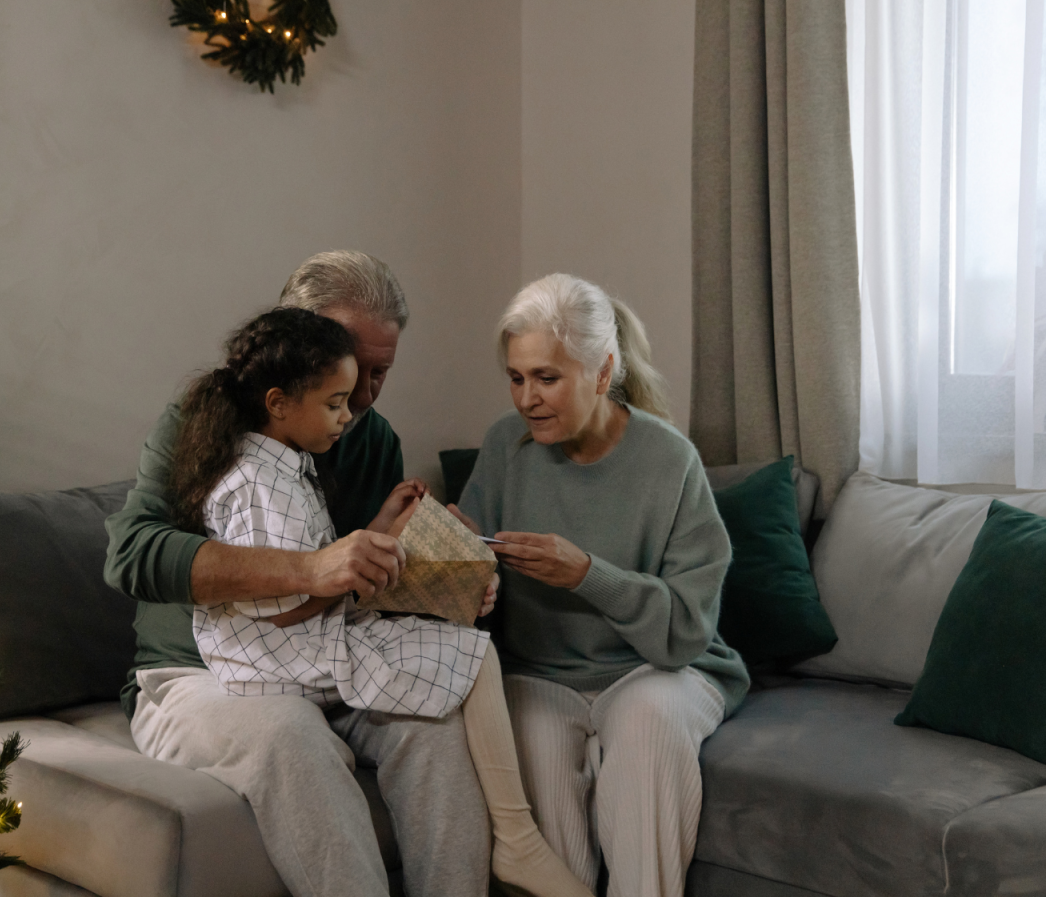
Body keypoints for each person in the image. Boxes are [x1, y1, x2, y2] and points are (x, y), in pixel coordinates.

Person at [104, 252, 492, 897]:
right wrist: (310, 568)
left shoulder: (371, 439)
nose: (362, 396)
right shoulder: (202, 421)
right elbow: (133, 554)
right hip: (200, 676)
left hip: (327, 664)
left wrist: (450, 570)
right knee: (289, 734)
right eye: (349, 367)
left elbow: (372, 589)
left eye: (379, 372)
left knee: (435, 725)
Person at [173, 305, 594, 897]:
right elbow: (280, 605)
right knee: (472, 653)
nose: (349, 415)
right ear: (278, 404)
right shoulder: (262, 485)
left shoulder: (279, 467)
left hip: (292, 643)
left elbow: (312, 563)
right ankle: (518, 838)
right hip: (281, 657)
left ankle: (513, 841)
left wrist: (380, 528)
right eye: (334, 403)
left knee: (456, 662)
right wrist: (366, 574)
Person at [452, 273, 751, 897]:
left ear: (602, 370)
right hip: (538, 674)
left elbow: (685, 632)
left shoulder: (670, 460)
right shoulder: (505, 446)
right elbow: (475, 588)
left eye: (547, 378)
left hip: (656, 670)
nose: (527, 399)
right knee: (531, 758)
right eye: (516, 378)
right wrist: (456, 553)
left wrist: (588, 575)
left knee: (649, 723)